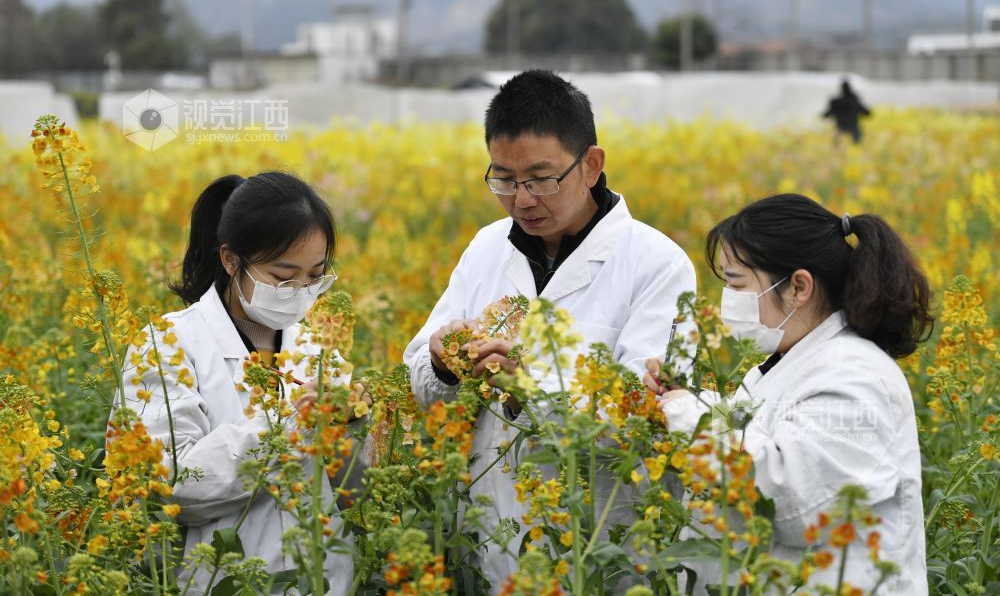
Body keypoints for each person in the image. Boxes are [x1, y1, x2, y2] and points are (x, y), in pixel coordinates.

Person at [403, 69, 698, 591]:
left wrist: (532, 388)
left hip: (597, 547)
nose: (522, 199)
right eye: (504, 180)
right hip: (488, 535)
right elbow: (418, 371)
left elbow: (649, 416)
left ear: (591, 164)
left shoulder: (658, 265)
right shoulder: (487, 247)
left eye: (540, 179)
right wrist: (442, 365)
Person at [644, 194, 932, 594]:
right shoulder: (786, 362)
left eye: (737, 283)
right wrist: (682, 399)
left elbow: (794, 502)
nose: (727, 300)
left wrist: (689, 417)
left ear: (799, 286)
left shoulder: (856, 378)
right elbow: (755, 435)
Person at [115, 172, 354, 594]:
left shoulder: (317, 345)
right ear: (231, 260)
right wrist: (289, 424)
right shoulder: (168, 345)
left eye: (315, 276)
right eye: (283, 277)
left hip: (323, 579)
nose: (300, 292)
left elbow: (352, 487)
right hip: (223, 580)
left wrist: (356, 422)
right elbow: (167, 485)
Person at [822, 78, 871, 143]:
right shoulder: (853, 100)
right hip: (852, 126)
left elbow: (827, 114)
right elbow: (866, 112)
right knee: (857, 143)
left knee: (837, 143)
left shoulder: (837, 102)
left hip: (842, 126)